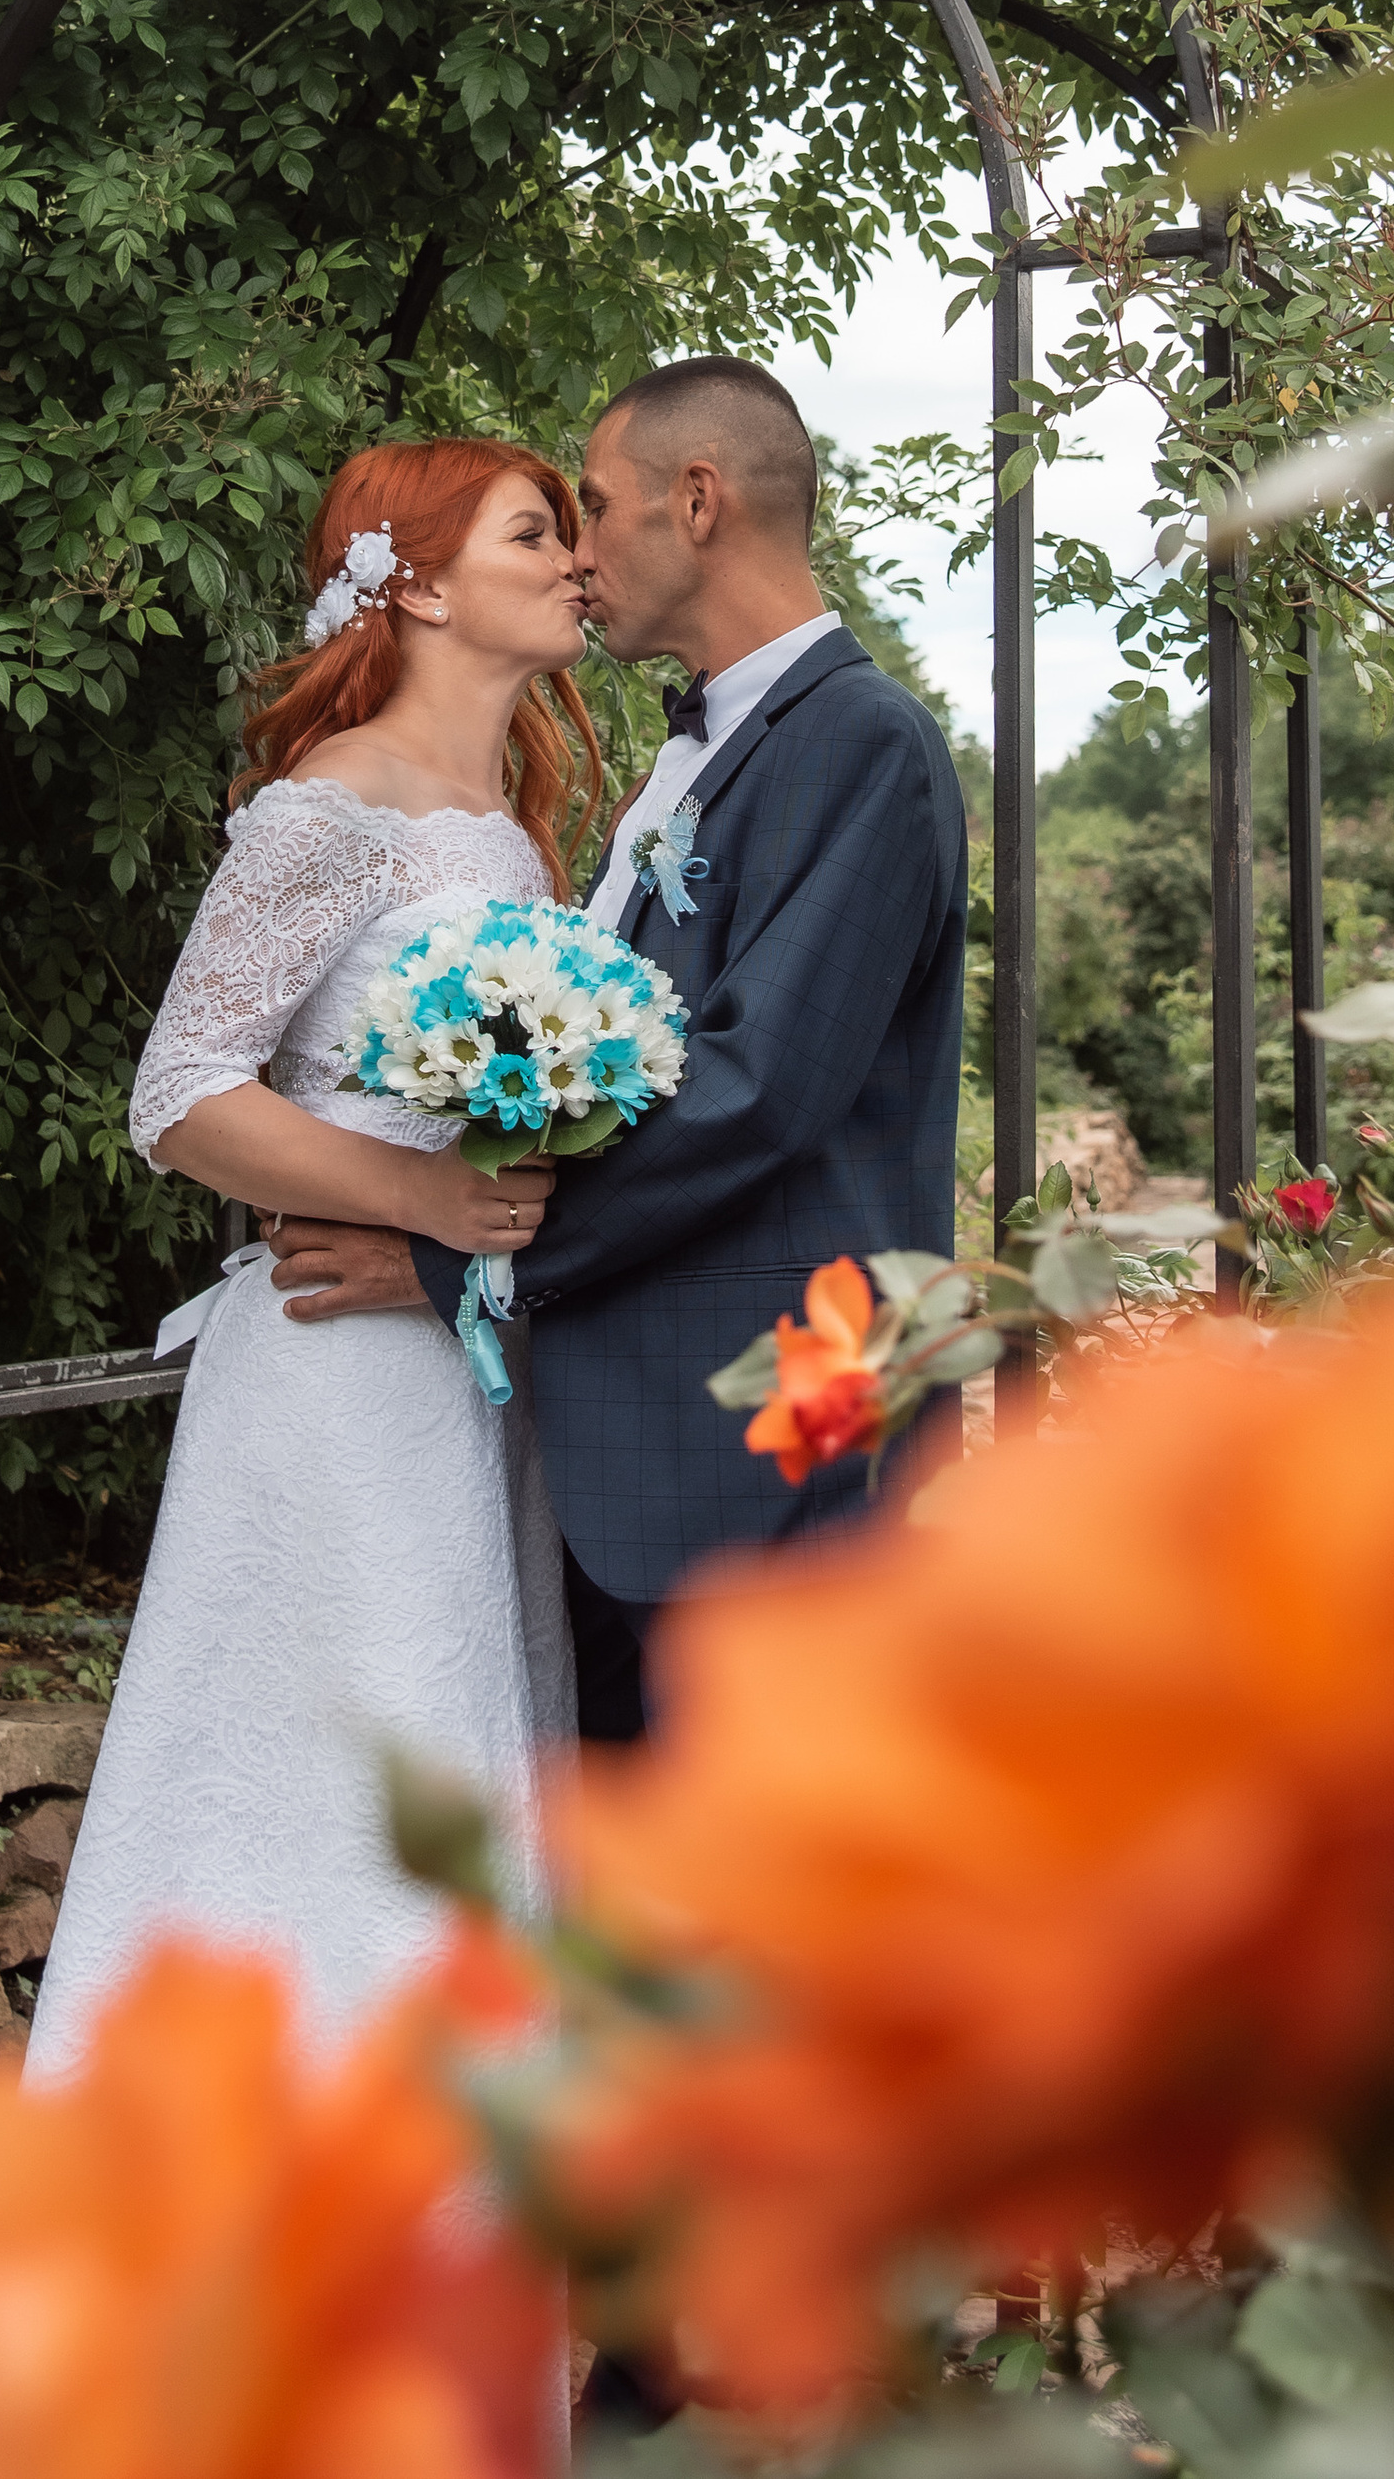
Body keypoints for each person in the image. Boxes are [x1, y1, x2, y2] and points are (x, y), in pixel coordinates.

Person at [267, 354, 968, 1745]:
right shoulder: (695, 757)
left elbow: (753, 1089)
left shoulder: (862, 745)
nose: (580, 551)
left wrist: (457, 1254)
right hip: (641, 1453)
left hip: (768, 1455)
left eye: (592, 505)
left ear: (696, 501)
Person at [23, 438, 598, 2073]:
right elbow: (181, 1090)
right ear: (413, 579)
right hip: (338, 1381)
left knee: (464, 1777)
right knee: (348, 1797)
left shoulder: (518, 819)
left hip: (471, 1382)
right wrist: (422, 1204)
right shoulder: (328, 807)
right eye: (534, 531)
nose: (574, 560)